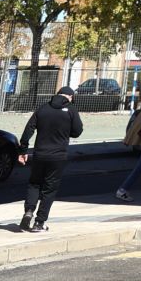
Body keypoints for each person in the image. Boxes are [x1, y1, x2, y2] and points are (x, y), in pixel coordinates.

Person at [16, 87, 84, 233]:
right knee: (49, 189)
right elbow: (77, 131)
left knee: (34, 184)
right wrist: (66, 131)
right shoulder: (71, 109)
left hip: (39, 154)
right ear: (70, 97)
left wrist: (23, 150)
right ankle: (39, 222)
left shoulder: (43, 108)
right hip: (58, 156)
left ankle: (28, 211)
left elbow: (28, 130)